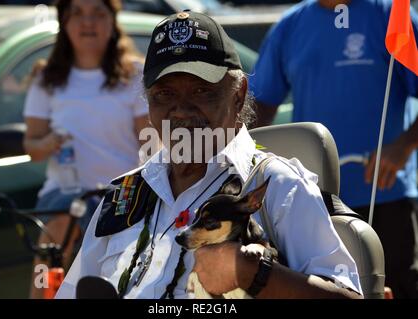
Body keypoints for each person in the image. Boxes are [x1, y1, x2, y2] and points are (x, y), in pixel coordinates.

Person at [55, 10, 362, 299]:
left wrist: (251, 273)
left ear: (238, 94)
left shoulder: (279, 187)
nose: (181, 110)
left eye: (202, 91)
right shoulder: (124, 195)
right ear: (148, 105)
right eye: (165, 94)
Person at [250, 0, 418, 298]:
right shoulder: (290, 25)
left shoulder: (391, 14)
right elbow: (260, 105)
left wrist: (402, 146)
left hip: (387, 196)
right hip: (314, 202)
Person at [23, 0, 148, 298]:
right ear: (64, 22)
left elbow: (151, 146)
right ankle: (41, 294)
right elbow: (32, 147)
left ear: (113, 21)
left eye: (97, 13)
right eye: (76, 13)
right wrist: (49, 142)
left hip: (122, 195)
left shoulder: (135, 73)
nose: (87, 22)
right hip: (64, 195)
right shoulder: (45, 78)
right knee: (54, 236)